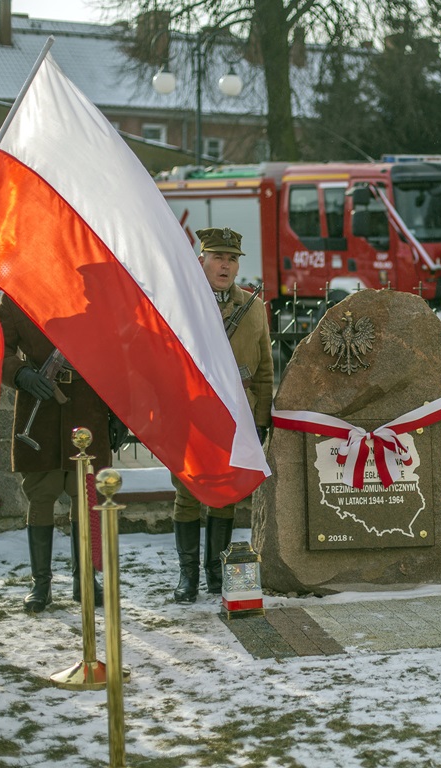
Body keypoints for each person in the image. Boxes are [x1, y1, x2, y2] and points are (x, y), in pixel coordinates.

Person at [0, 296, 125, 613]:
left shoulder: (95, 294)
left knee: (86, 498)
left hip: (89, 407)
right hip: (39, 407)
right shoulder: (17, 296)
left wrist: (119, 412)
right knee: (41, 496)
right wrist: (19, 374)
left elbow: (117, 357)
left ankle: (85, 578)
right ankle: (40, 584)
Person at [172, 227, 273, 604]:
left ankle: (216, 573)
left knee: (225, 496)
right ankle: (188, 575)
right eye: (218, 257)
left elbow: (264, 368)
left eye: (231, 259)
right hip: (193, 416)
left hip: (235, 418)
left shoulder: (253, 307)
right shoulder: (183, 305)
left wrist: (260, 418)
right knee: (186, 495)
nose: (225, 265)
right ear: (202, 261)